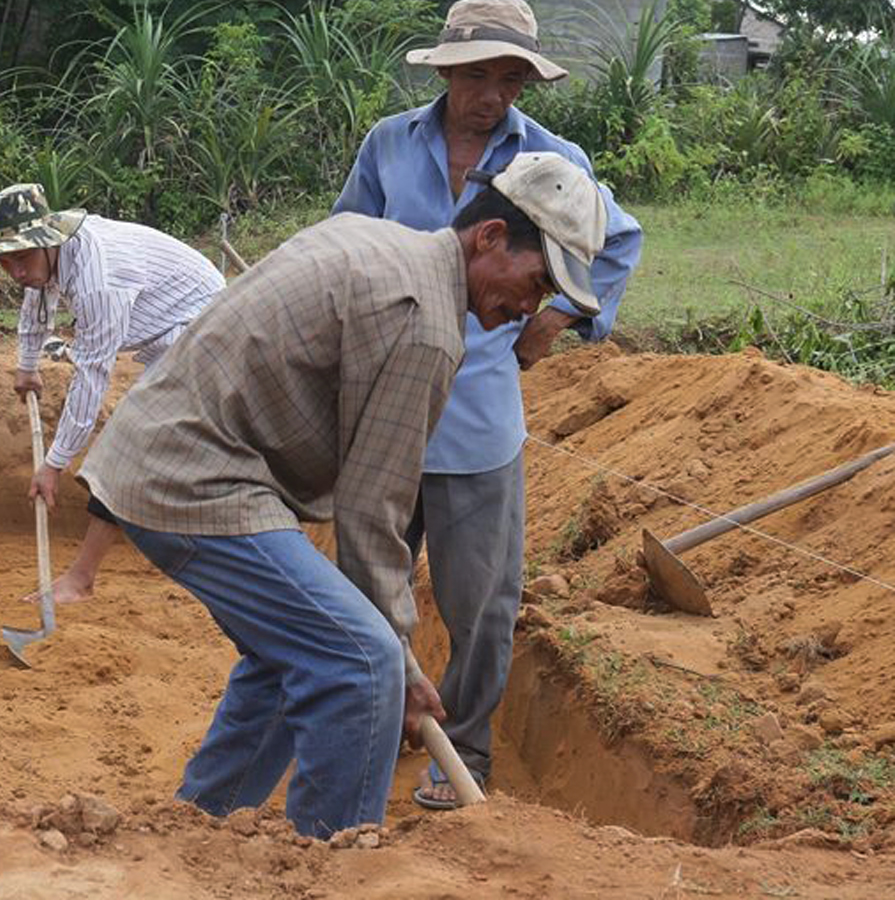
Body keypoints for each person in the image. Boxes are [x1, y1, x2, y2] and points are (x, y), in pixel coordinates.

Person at [79, 152, 608, 839]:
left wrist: (399, 651)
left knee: (296, 652)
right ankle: (333, 861)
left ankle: (197, 835)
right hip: (194, 477)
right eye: (536, 282)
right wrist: (396, 659)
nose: (529, 309)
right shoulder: (425, 324)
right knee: (357, 665)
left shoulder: (385, 242)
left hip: (173, 456)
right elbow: (372, 509)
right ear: (489, 238)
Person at [334, 0, 643, 809]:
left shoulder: (551, 159)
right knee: (364, 590)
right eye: (478, 74)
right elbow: (348, 241)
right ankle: (365, 731)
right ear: (448, 71)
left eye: (510, 78)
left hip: (476, 418)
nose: (492, 94)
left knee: (481, 607)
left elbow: (622, 238)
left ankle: (460, 752)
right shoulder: (388, 146)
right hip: (383, 410)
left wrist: (558, 316)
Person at [0, 182, 225, 604]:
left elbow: (93, 374)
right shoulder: (51, 259)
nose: (17, 272)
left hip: (205, 335)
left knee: (128, 446)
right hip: (166, 339)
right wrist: (27, 367)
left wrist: (54, 464)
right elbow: (36, 298)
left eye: (22, 257)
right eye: (5, 263)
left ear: (48, 241)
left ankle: (81, 580)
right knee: (153, 448)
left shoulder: (100, 279)